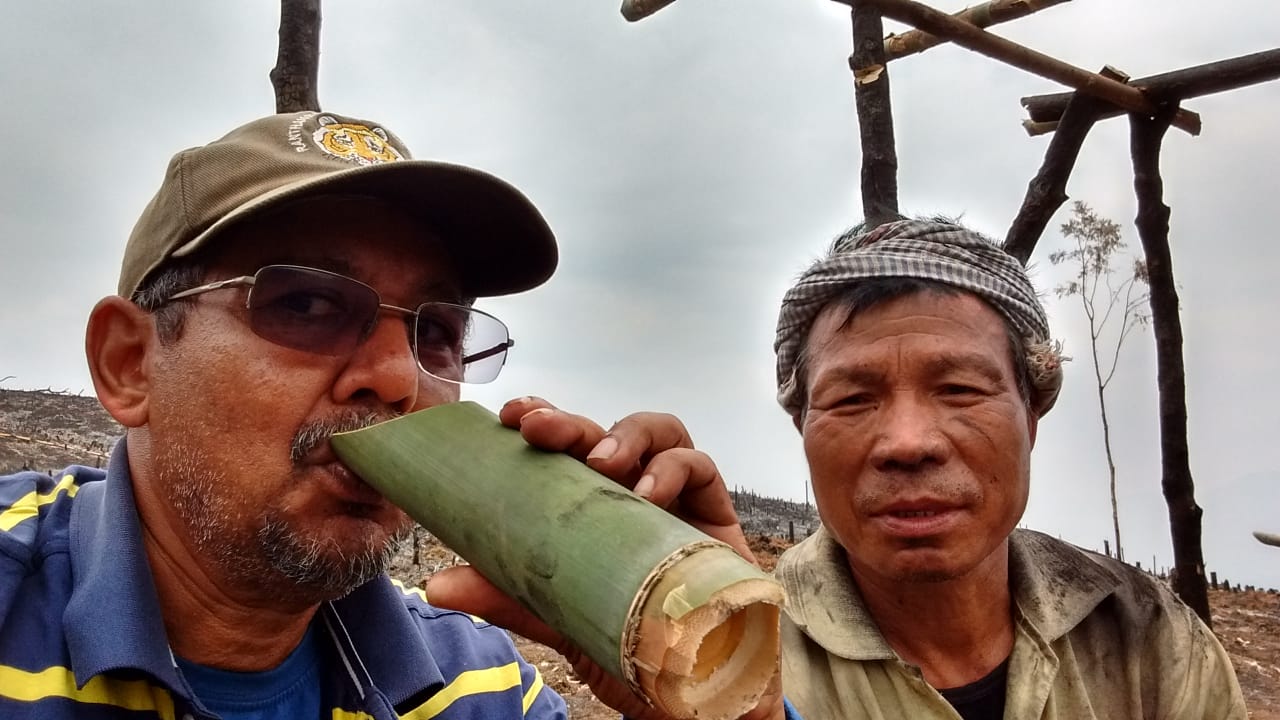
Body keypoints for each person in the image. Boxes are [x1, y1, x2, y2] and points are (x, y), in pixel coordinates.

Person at [0, 110, 773, 720]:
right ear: (129, 363)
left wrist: (722, 688)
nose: (399, 378)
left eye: (435, 332)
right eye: (305, 303)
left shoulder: (479, 690)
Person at [766, 218, 1247, 719]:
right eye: (852, 399)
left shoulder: (1148, 635)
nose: (908, 443)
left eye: (960, 390)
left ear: (1031, 416)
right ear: (803, 427)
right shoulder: (727, 660)